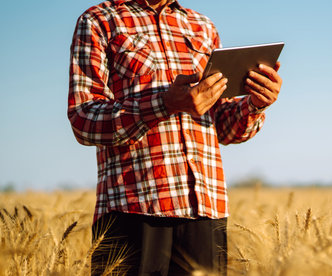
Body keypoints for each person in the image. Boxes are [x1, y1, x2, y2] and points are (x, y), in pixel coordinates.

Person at [68, 0, 282, 275]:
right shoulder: (99, 20)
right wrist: (165, 103)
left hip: (205, 210)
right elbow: (83, 119)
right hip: (133, 210)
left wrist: (255, 103)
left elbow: (222, 127)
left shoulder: (203, 27)